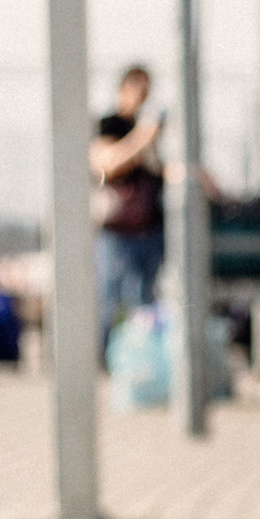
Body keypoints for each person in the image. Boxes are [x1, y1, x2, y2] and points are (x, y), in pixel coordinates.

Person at [91, 65, 166, 360]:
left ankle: (139, 357)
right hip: (117, 230)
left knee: (145, 300)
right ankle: (105, 357)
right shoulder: (110, 124)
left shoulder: (148, 129)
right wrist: (143, 138)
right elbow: (106, 163)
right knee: (109, 298)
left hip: (150, 228)